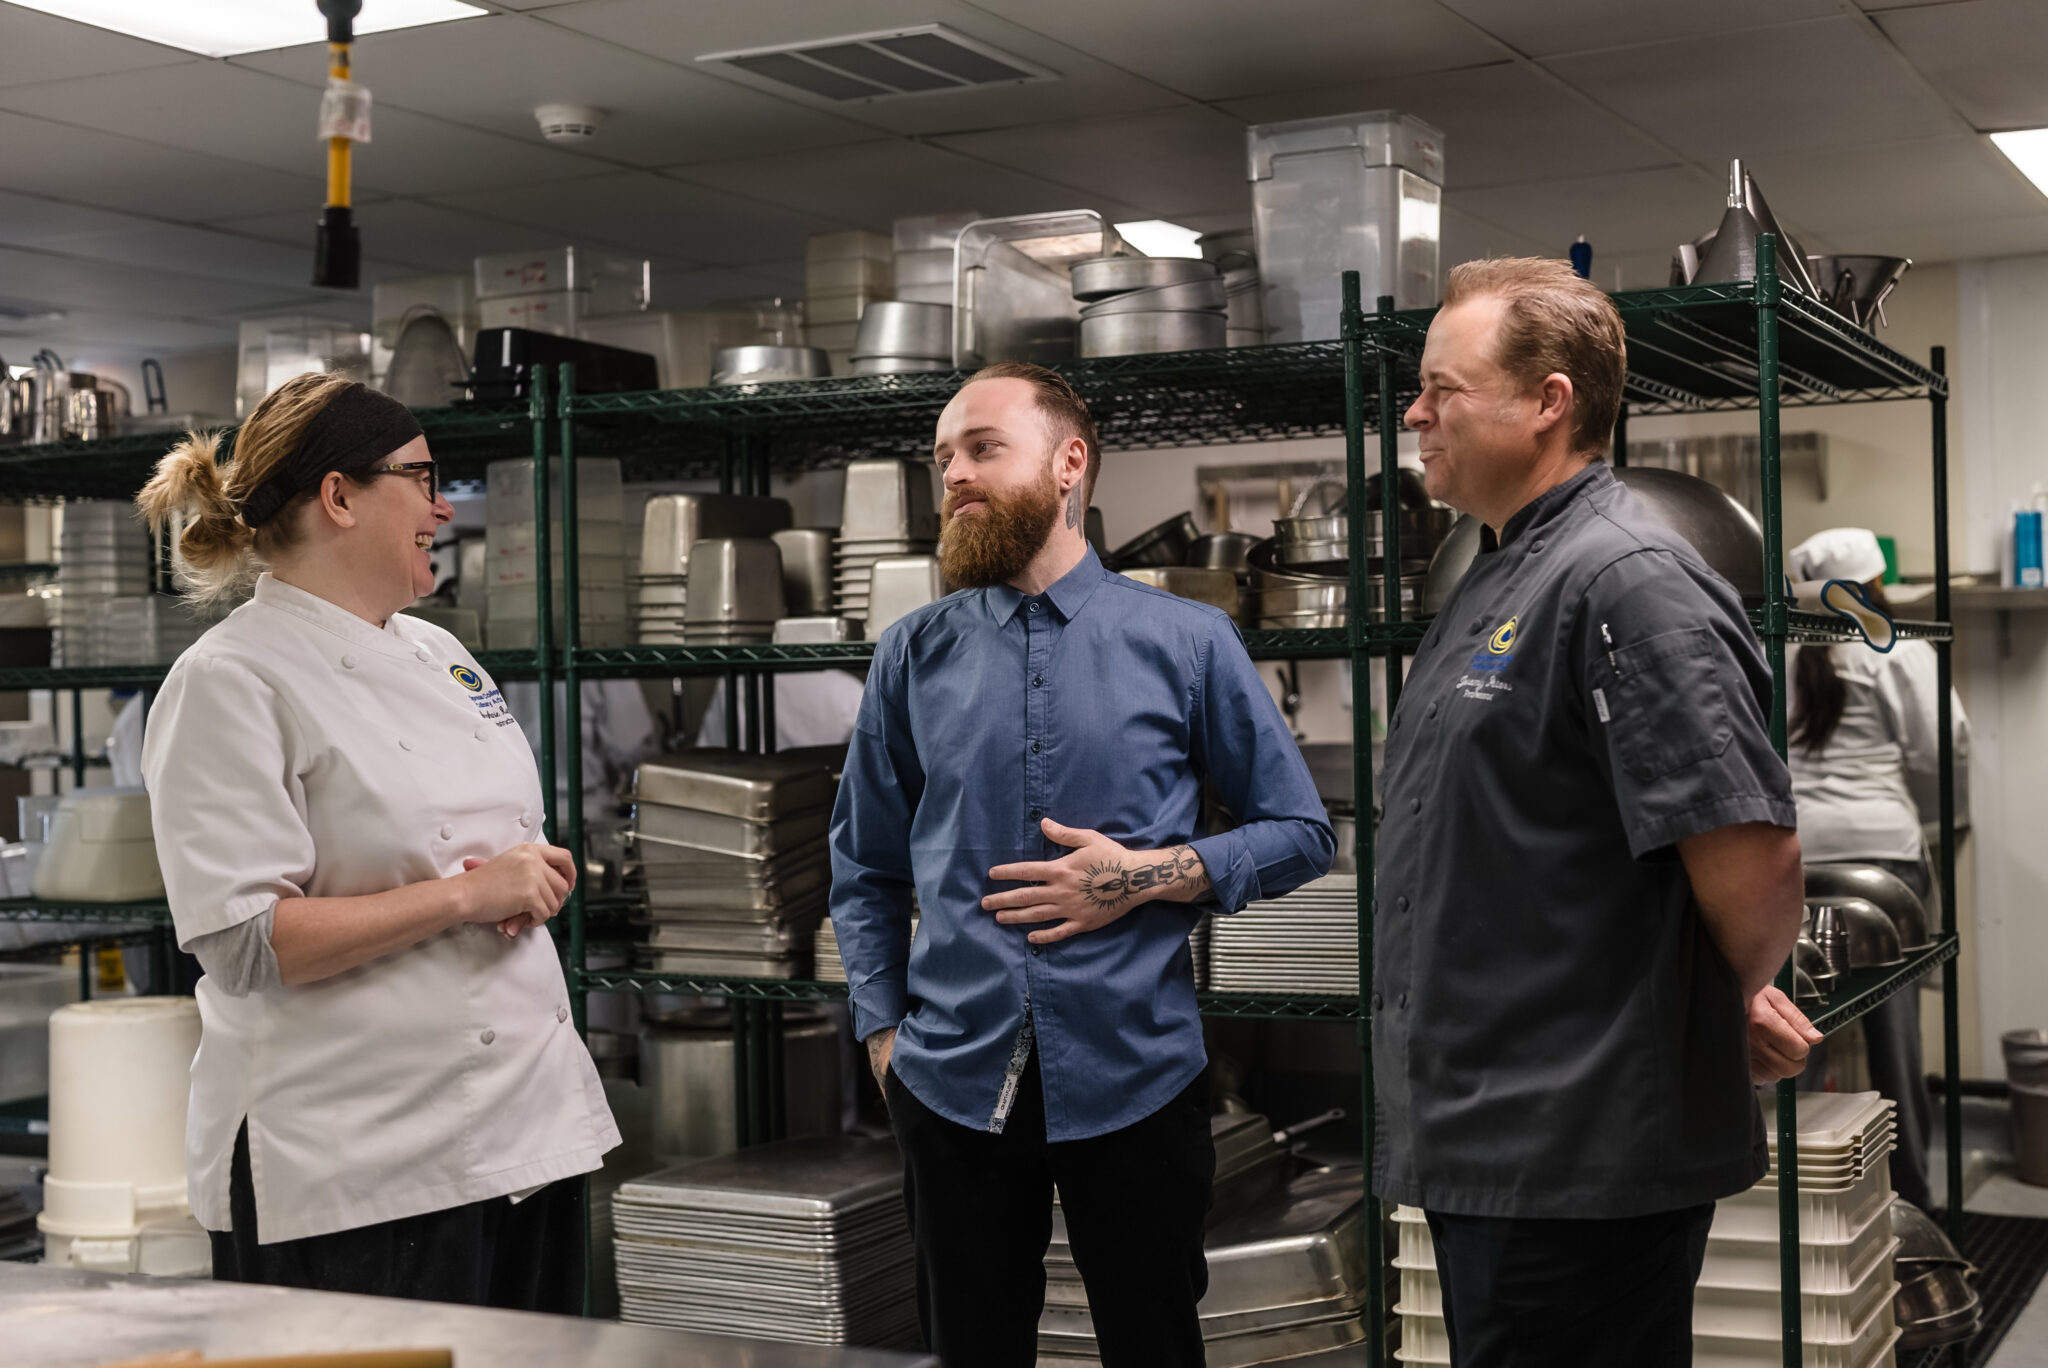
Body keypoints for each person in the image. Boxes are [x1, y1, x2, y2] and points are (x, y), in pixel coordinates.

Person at [829, 362, 1332, 1367]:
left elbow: (1298, 831)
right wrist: (883, 1032)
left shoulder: (1187, 643)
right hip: (952, 1081)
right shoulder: (910, 654)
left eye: (982, 449)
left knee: (1151, 1345)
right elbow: (864, 867)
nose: (954, 477)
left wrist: (1146, 874)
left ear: (1067, 465)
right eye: (942, 459)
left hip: (1134, 1075)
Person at [1375, 258, 1819, 1368]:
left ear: (1547, 402)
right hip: (1491, 1124)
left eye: (1442, 387)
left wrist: (1708, 1000)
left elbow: (1750, 858)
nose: (1413, 413)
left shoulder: (1624, 578)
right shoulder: (1490, 571)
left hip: (1571, 1147)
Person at [136, 373, 619, 1308]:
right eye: (423, 477)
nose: (443, 507)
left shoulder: (442, 655)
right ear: (339, 496)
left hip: (521, 1132)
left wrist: (528, 874)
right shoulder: (230, 679)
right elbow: (245, 942)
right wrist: (471, 897)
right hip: (355, 1166)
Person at [1788, 527, 1971, 1212]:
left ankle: (1803, 1208)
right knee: (1895, 1041)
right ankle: (1914, 1208)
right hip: (1882, 867)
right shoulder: (1891, 644)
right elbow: (1942, 746)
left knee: (1800, 1036)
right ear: (1877, 583)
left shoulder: (1782, 643)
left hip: (1796, 861)